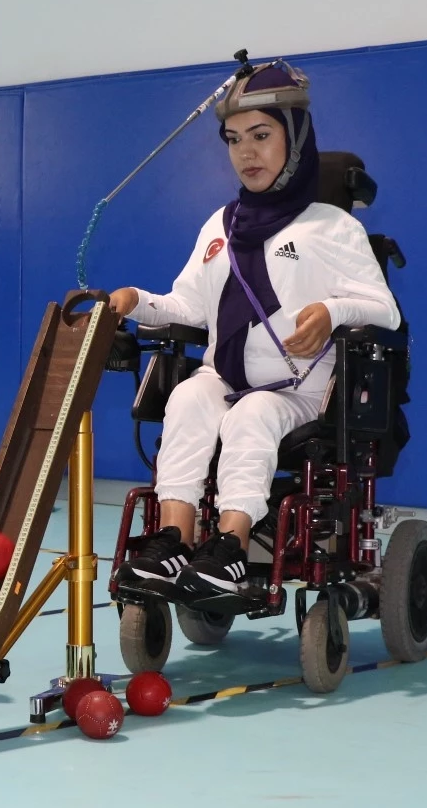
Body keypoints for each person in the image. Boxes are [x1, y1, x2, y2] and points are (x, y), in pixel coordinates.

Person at [107, 61, 400, 605]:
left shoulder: (333, 226)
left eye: (261, 136)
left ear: (295, 138)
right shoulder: (219, 225)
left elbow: (386, 311)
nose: (247, 152)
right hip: (225, 377)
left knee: (253, 412)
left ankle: (231, 548)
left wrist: (331, 311)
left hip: (299, 391)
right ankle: (174, 540)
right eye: (234, 139)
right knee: (188, 395)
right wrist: (135, 301)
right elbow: (188, 306)